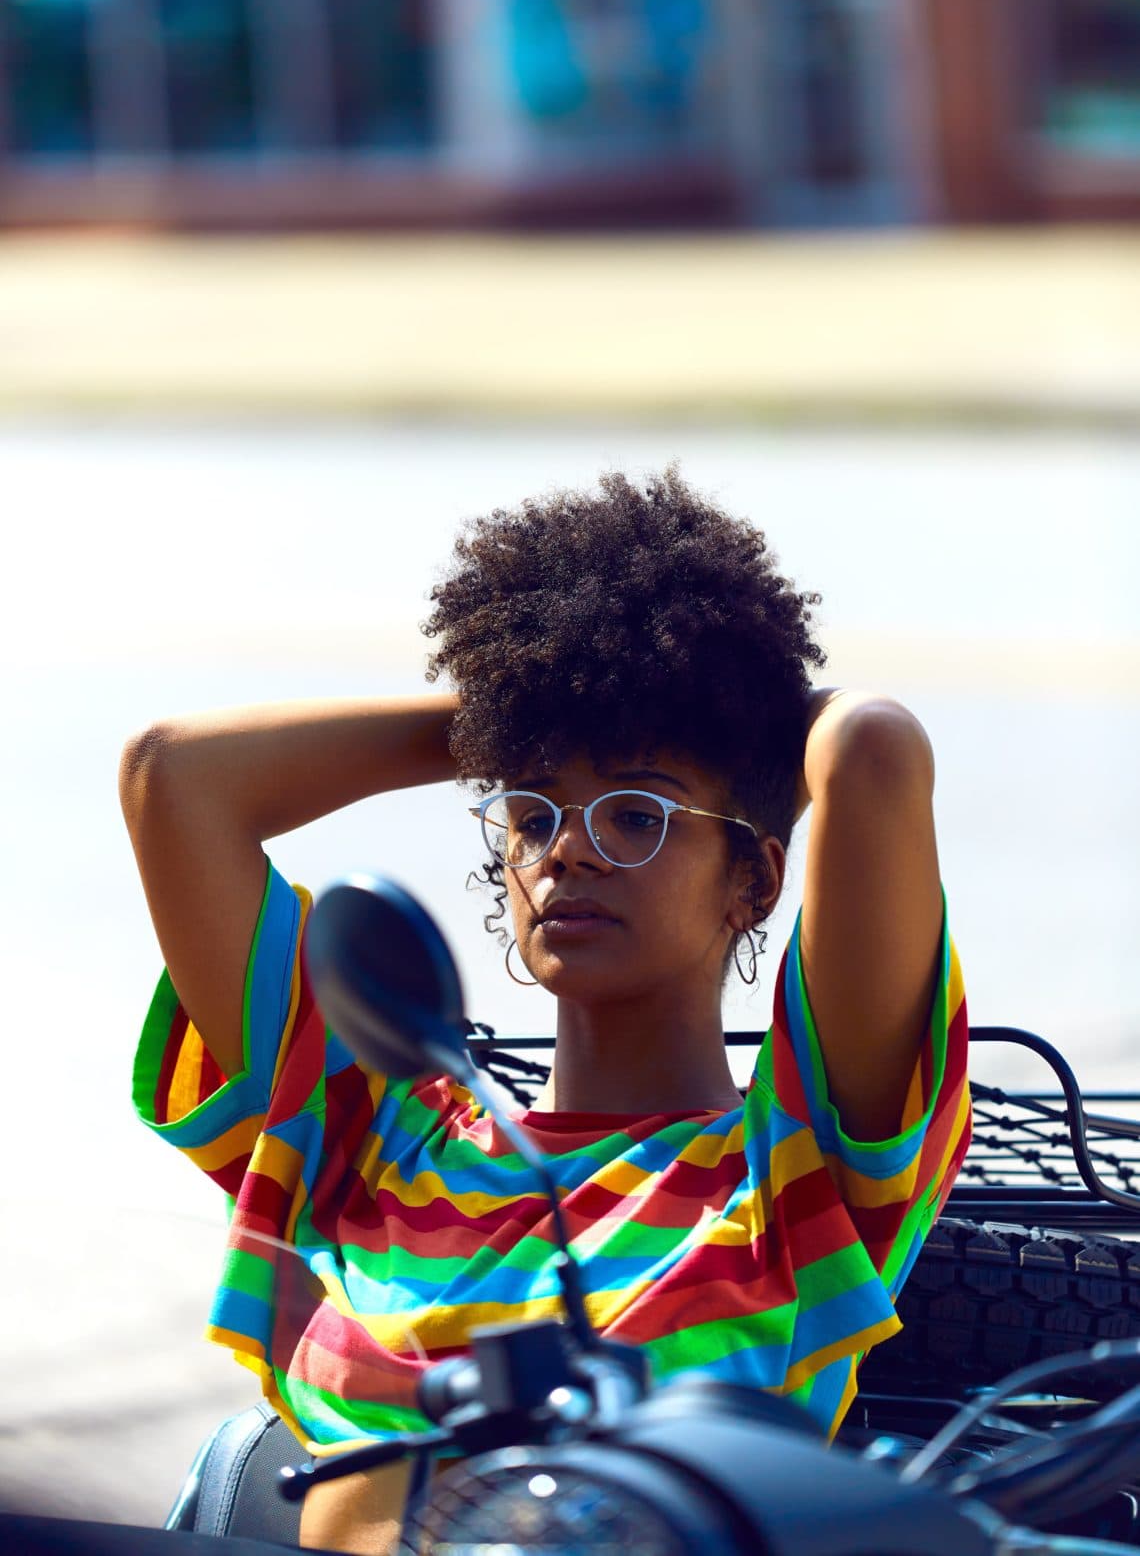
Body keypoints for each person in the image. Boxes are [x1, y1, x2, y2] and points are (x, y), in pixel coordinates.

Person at [123, 468, 970, 1555]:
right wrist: (517, 714)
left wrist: (739, 714)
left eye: (635, 811)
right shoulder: (372, 1135)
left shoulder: (787, 1179)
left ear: (754, 881)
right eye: (531, 813)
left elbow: (872, 752)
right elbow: (173, 776)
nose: (566, 847)